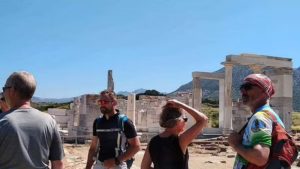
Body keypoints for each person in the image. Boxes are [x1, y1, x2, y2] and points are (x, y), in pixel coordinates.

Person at [0, 71, 64, 169]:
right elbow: (58, 164)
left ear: (12, 90)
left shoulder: (2, 121)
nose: (3, 93)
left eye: (4, 89)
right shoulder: (49, 121)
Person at [228, 73, 285, 169]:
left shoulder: (260, 117)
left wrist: (235, 144)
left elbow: (260, 157)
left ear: (265, 90)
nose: (243, 91)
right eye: (241, 87)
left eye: (247, 87)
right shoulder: (271, 115)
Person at [141, 99, 208, 169]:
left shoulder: (153, 141)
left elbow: (144, 167)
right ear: (178, 121)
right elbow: (203, 119)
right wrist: (181, 105)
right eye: (185, 119)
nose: (185, 122)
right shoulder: (181, 140)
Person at [86, 90, 141, 169]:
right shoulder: (97, 122)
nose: (102, 104)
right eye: (100, 102)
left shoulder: (125, 122)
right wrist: (88, 167)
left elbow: (136, 146)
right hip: (99, 164)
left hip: (118, 165)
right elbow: (93, 148)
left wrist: (116, 161)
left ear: (114, 102)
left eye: (104, 102)